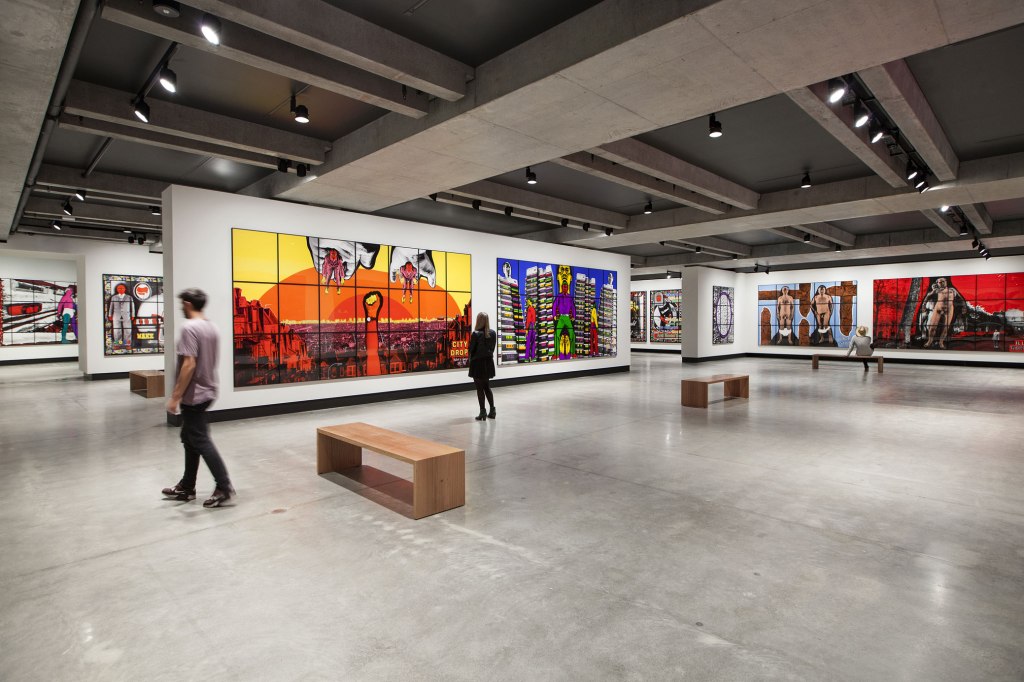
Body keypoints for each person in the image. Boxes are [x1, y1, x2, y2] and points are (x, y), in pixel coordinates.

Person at [163, 288, 235, 508]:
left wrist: (175, 396)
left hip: (194, 393)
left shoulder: (190, 328)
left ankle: (224, 486)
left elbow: (189, 363)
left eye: (180, 305)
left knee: (200, 440)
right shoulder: (211, 327)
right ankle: (187, 485)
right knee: (190, 439)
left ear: (186, 304)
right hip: (208, 389)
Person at [468, 312, 496, 421]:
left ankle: (482, 412)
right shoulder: (492, 333)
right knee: (487, 387)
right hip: (488, 363)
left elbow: (471, 350)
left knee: (480, 389)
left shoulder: (475, 334)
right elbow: (492, 349)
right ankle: (492, 410)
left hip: (477, 363)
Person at [108, 282, 133, 347]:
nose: (120, 289)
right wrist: (110, 315)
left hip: (127, 315)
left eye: (122, 288)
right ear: (117, 289)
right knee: (116, 331)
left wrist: (133, 315)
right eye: (119, 288)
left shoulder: (129, 297)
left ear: (125, 289)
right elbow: (111, 306)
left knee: (128, 330)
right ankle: (117, 344)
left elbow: (132, 307)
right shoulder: (114, 297)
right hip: (116, 315)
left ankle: (127, 344)